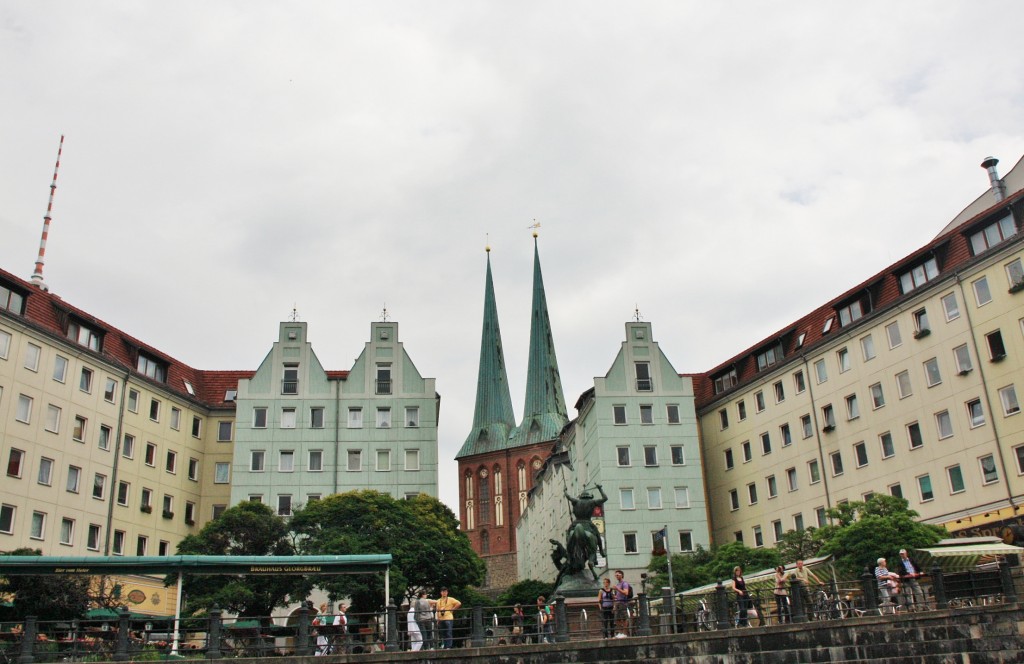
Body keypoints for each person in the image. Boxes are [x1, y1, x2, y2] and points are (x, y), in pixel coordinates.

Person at [612, 569, 632, 637]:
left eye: (618, 575)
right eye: (616, 575)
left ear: (622, 575)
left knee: (624, 618)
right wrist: (614, 597)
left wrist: (617, 589)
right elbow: (618, 595)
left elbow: (626, 592)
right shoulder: (618, 584)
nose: (616, 576)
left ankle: (624, 632)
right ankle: (620, 632)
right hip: (618, 602)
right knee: (617, 618)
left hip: (623, 602)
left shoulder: (624, 583)